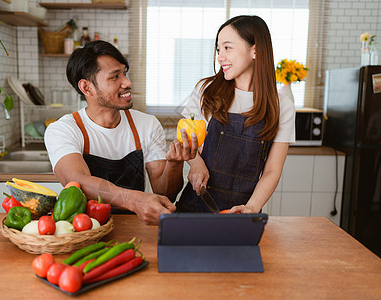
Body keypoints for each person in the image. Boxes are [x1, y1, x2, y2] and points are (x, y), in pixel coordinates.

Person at [44, 40, 197, 225]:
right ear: (86, 87)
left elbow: (164, 194)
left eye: (124, 73)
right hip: (83, 229)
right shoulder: (63, 129)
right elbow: (76, 180)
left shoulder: (146, 125)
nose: (127, 82)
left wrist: (174, 164)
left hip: (134, 226)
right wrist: (136, 200)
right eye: (115, 77)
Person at [176, 15, 295, 213]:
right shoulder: (206, 90)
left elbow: (272, 170)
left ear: (255, 50)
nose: (220, 56)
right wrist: (196, 164)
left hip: (242, 211)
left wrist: (251, 207)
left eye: (227, 48)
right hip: (194, 207)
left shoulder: (282, 106)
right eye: (218, 50)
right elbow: (185, 139)